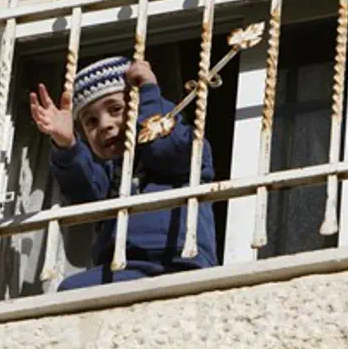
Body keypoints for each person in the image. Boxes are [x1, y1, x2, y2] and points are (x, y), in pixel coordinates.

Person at [29, 56, 217, 291]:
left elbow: (162, 149)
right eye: (91, 122)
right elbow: (83, 191)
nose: (105, 125)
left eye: (116, 109)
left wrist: (148, 92)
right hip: (122, 269)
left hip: (179, 260)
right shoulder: (111, 173)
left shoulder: (186, 143)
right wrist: (67, 145)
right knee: (71, 289)